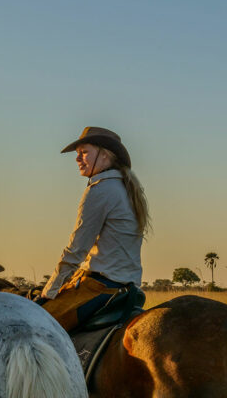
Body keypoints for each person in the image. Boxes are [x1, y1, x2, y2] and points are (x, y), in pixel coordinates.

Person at [38, 127, 150, 332]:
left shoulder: (100, 189)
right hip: (128, 287)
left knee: (37, 327)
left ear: (105, 154)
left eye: (84, 152)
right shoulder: (127, 188)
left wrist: (50, 290)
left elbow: (76, 249)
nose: (78, 159)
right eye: (77, 154)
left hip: (100, 287)